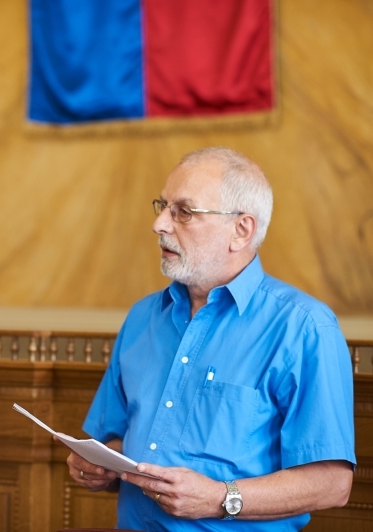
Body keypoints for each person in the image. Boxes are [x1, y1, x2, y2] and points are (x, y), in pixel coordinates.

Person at [67, 147, 355, 531]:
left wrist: (221, 499)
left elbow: (333, 484)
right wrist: (98, 465)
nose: (159, 224)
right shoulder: (142, 317)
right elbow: (114, 437)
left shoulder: (305, 328)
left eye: (183, 212)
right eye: (163, 206)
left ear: (241, 230)